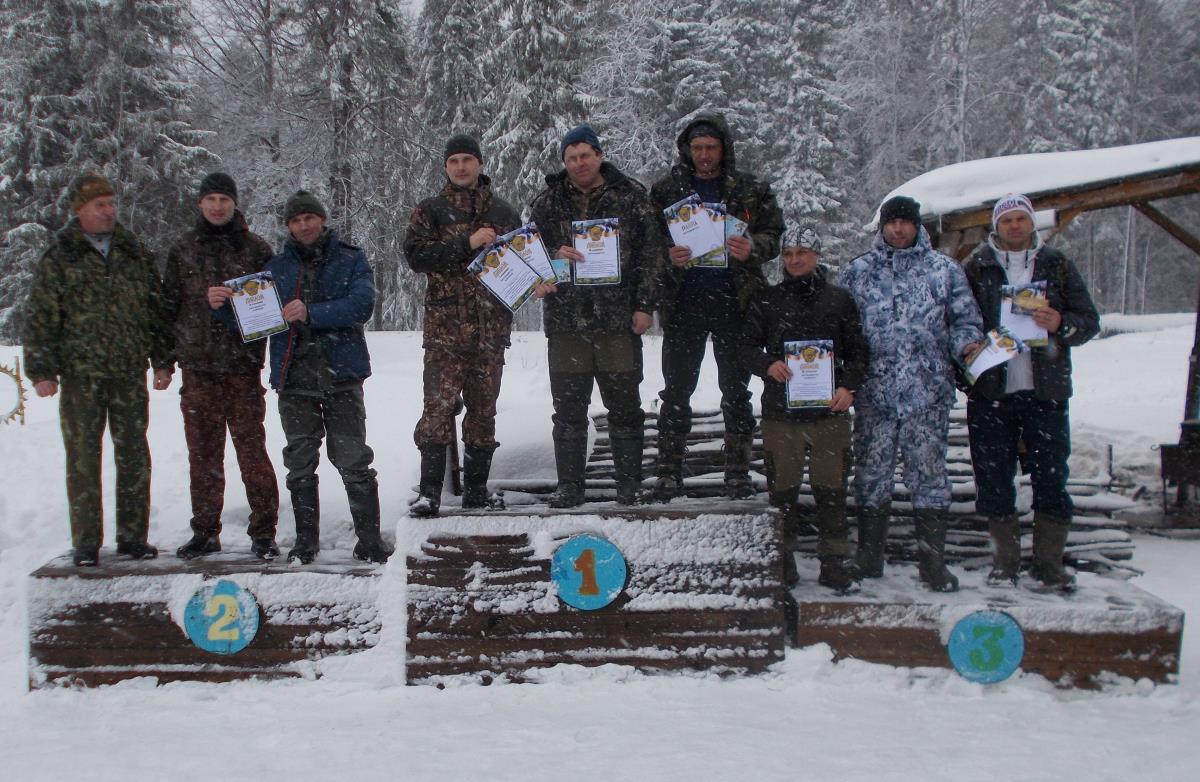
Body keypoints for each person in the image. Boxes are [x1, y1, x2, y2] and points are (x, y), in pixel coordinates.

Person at [213, 190, 391, 564]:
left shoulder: (350, 258)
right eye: (296, 220)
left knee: (353, 458)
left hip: (342, 375)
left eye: (310, 217)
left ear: (322, 219)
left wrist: (312, 313)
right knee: (299, 462)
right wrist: (223, 309)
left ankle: (370, 540)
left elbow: (362, 306)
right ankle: (306, 542)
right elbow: (256, 321)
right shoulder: (275, 269)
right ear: (288, 226)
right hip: (294, 379)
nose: (304, 225)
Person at [23, 171, 172, 566]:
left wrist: (162, 360)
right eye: (100, 205)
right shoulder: (61, 254)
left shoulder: (133, 250)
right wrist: (41, 370)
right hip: (80, 375)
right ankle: (86, 541)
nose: (109, 211)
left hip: (127, 371)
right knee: (83, 459)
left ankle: (132, 539)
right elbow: (41, 315)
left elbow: (155, 309)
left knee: (134, 456)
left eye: (111, 203)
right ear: (79, 210)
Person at [838, 195, 984, 591]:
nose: (899, 229)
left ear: (918, 226)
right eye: (892, 222)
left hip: (927, 392)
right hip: (874, 395)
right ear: (882, 227)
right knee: (871, 475)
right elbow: (839, 326)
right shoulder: (858, 272)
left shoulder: (944, 270)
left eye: (906, 222)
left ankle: (932, 564)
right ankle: (869, 558)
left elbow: (966, 321)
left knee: (930, 476)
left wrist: (968, 347)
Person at [963, 193, 1099, 590]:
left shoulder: (1056, 265)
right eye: (1007, 221)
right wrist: (969, 347)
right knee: (993, 478)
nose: (1015, 226)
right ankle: (1005, 563)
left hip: (1045, 392)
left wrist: (1060, 323)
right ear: (996, 226)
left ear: (1032, 223)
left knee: (1051, 477)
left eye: (1021, 219)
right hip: (992, 391)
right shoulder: (978, 266)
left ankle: (1048, 564)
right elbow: (959, 319)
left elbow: (1088, 321)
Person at [650, 112, 783, 501]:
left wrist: (752, 247)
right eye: (697, 148)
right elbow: (646, 242)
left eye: (711, 148)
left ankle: (738, 471)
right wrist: (666, 256)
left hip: (735, 301)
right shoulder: (667, 190)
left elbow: (774, 234)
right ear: (687, 151)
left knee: (736, 389)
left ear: (724, 149)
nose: (704, 155)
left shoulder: (750, 189)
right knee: (676, 389)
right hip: (684, 300)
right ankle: (669, 471)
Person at [529, 124, 664, 507]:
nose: (578, 163)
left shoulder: (630, 196)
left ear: (600, 155)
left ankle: (628, 485)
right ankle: (570, 487)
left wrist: (644, 305)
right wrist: (552, 259)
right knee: (568, 408)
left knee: (624, 405)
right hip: (566, 322)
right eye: (571, 158)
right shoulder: (548, 202)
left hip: (617, 322)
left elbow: (651, 255)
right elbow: (529, 255)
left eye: (585, 155)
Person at [740, 227, 868, 592]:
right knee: (783, 493)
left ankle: (834, 561)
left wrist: (848, 386)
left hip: (829, 413)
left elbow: (859, 350)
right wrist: (767, 364)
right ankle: (784, 560)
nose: (795, 259)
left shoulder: (839, 300)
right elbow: (745, 345)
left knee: (832, 492)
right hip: (782, 415)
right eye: (789, 253)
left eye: (803, 252)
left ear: (817, 255)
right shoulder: (766, 300)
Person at [161, 173, 280, 560]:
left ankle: (264, 532)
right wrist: (164, 360)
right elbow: (168, 308)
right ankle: (205, 532)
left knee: (252, 452)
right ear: (199, 204)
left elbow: (270, 311)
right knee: (203, 456)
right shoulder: (182, 250)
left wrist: (234, 305)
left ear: (234, 203)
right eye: (210, 198)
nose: (216, 206)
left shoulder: (255, 248)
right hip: (197, 369)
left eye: (223, 199)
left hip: (242, 369)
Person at [403, 135, 520, 517]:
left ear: (480, 164)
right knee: (436, 411)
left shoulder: (504, 213)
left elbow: (522, 262)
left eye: (467, 159)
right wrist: (467, 243)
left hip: (490, 332)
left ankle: (477, 491)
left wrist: (538, 281)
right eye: (453, 160)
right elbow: (417, 257)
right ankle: (430, 493)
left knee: (483, 413)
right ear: (445, 167)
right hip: (445, 332)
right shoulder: (430, 211)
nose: (461, 167)